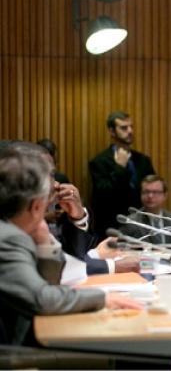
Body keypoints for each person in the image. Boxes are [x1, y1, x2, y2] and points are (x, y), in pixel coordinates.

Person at [0, 144, 142, 345]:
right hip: (18, 349)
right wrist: (103, 299)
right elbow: (43, 298)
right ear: (36, 206)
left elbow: (48, 285)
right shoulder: (7, 237)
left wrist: (45, 243)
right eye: (48, 175)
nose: (56, 185)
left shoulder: (13, 229)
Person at [89, 111, 156, 238]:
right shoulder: (99, 162)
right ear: (112, 131)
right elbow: (104, 194)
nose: (130, 131)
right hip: (113, 228)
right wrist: (119, 167)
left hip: (142, 227)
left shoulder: (143, 160)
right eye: (124, 128)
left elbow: (152, 189)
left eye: (131, 126)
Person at [119, 175, 171, 245]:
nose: (150, 196)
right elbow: (121, 250)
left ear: (165, 195)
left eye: (155, 192)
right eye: (146, 192)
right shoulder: (131, 222)